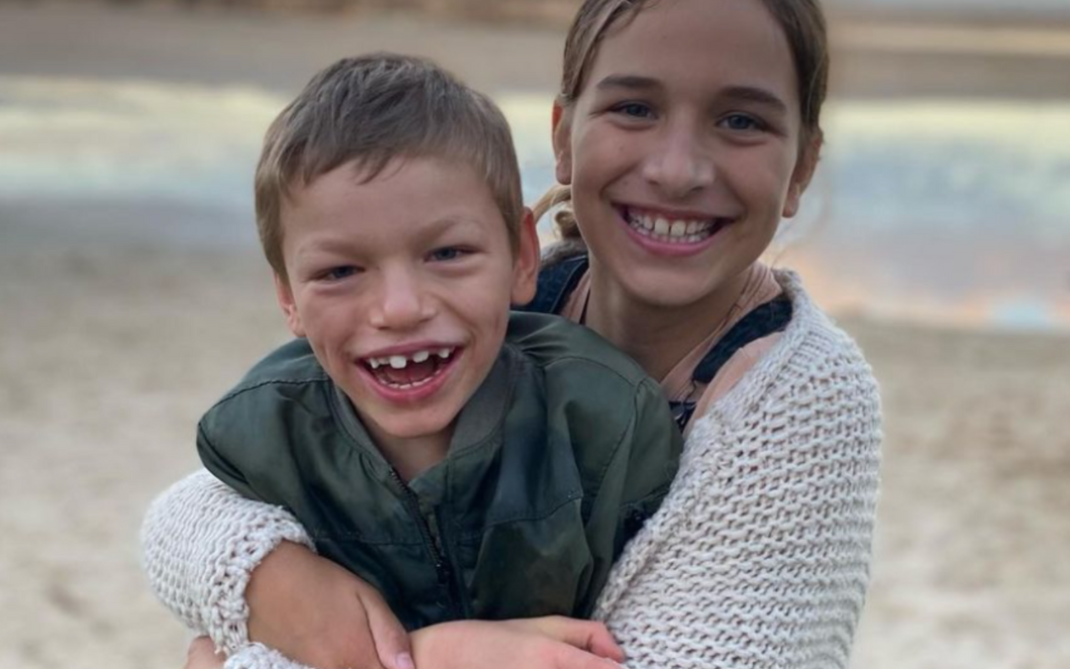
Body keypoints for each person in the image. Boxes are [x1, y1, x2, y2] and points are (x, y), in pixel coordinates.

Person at [143, 0, 882, 668]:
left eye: (742, 121)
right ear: (563, 137)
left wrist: (299, 657)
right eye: (633, 107)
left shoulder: (804, 400)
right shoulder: (498, 305)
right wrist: (267, 574)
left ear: (802, 167)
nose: (677, 169)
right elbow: (192, 512)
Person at [142, 51, 686, 667]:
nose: (399, 309)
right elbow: (220, 620)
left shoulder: (606, 424)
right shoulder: (266, 435)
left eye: (447, 254)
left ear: (521, 256)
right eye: (340, 271)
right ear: (288, 297)